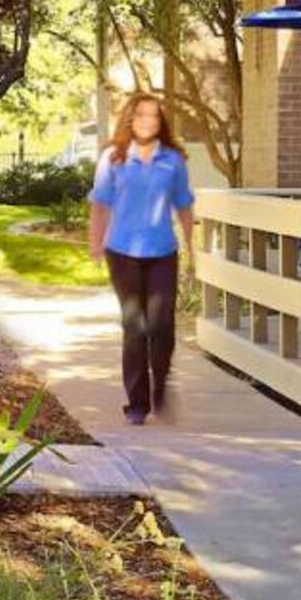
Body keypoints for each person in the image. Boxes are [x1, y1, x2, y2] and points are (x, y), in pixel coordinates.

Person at [88, 93, 196, 426]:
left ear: (160, 122)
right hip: (121, 253)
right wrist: (95, 244)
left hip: (163, 251)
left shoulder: (173, 161)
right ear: (130, 120)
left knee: (162, 325)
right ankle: (137, 403)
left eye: (154, 116)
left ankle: (159, 385)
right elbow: (100, 204)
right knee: (135, 327)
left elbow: (183, 204)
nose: (148, 121)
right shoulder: (113, 158)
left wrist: (192, 247)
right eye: (141, 115)